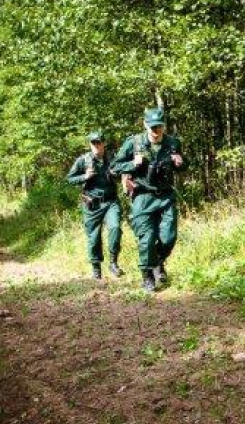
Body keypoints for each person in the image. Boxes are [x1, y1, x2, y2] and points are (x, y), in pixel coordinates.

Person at [112, 108, 185, 293]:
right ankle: (147, 276)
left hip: (166, 195)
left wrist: (180, 162)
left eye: (159, 126)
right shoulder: (134, 143)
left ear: (164, 126)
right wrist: (132, 164)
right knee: (147, 238)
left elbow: (184, 165)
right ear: (145, 125)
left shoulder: (173, 143)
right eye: (152, 127)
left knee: (169, 237)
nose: (155, 130)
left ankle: (157, 262)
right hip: (142, 196)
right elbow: (114, 166)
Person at [65, 131, 123, 280]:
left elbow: (122, 173)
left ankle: (113, 263)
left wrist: (115, 174)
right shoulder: (83, 160)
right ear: (90, 145)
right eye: (93, 143)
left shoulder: (111, 158)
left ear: (104, 143)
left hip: (111, 201)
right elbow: (70, 178)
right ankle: (96, 268)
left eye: (99, 142)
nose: (96, 145)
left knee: (115, 228)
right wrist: (85, 176)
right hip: (92, 204)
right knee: (94, 237)